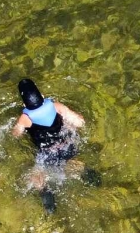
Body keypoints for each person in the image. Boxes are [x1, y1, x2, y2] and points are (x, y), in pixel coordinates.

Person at [11, 78, 93, 211]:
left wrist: (18, 125)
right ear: (42, 96)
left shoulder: (25, 118)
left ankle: (45, 192)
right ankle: (84, 170)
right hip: (66, 145)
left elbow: (16, 134)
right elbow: (79, 123)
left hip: (47, 153)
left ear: (24, 104)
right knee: (69, 161)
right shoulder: (56, 107)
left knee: (37, 175)